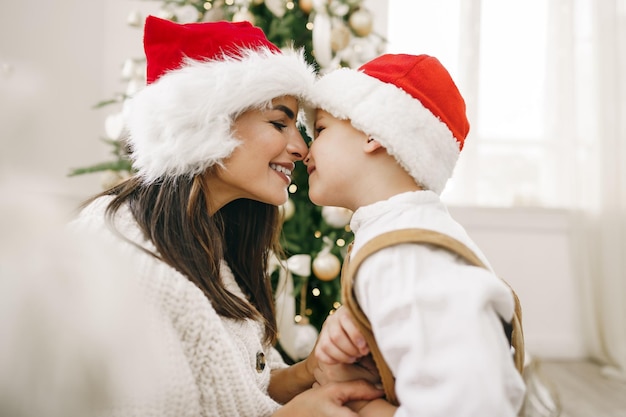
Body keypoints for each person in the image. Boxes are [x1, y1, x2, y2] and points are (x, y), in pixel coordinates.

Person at [70, 16, 383, 417]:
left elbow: (238, 387)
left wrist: (312, 371)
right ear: (206, 124)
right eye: (279, 122)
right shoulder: (139, 268)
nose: (302, 148)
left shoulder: (204, 238)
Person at [303, 53, 527, 416]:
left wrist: (364, 407)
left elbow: (470, 405)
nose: (305, 151)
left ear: (374, 131)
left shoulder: (404, 254)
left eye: (321, 130)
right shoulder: (400, 238)